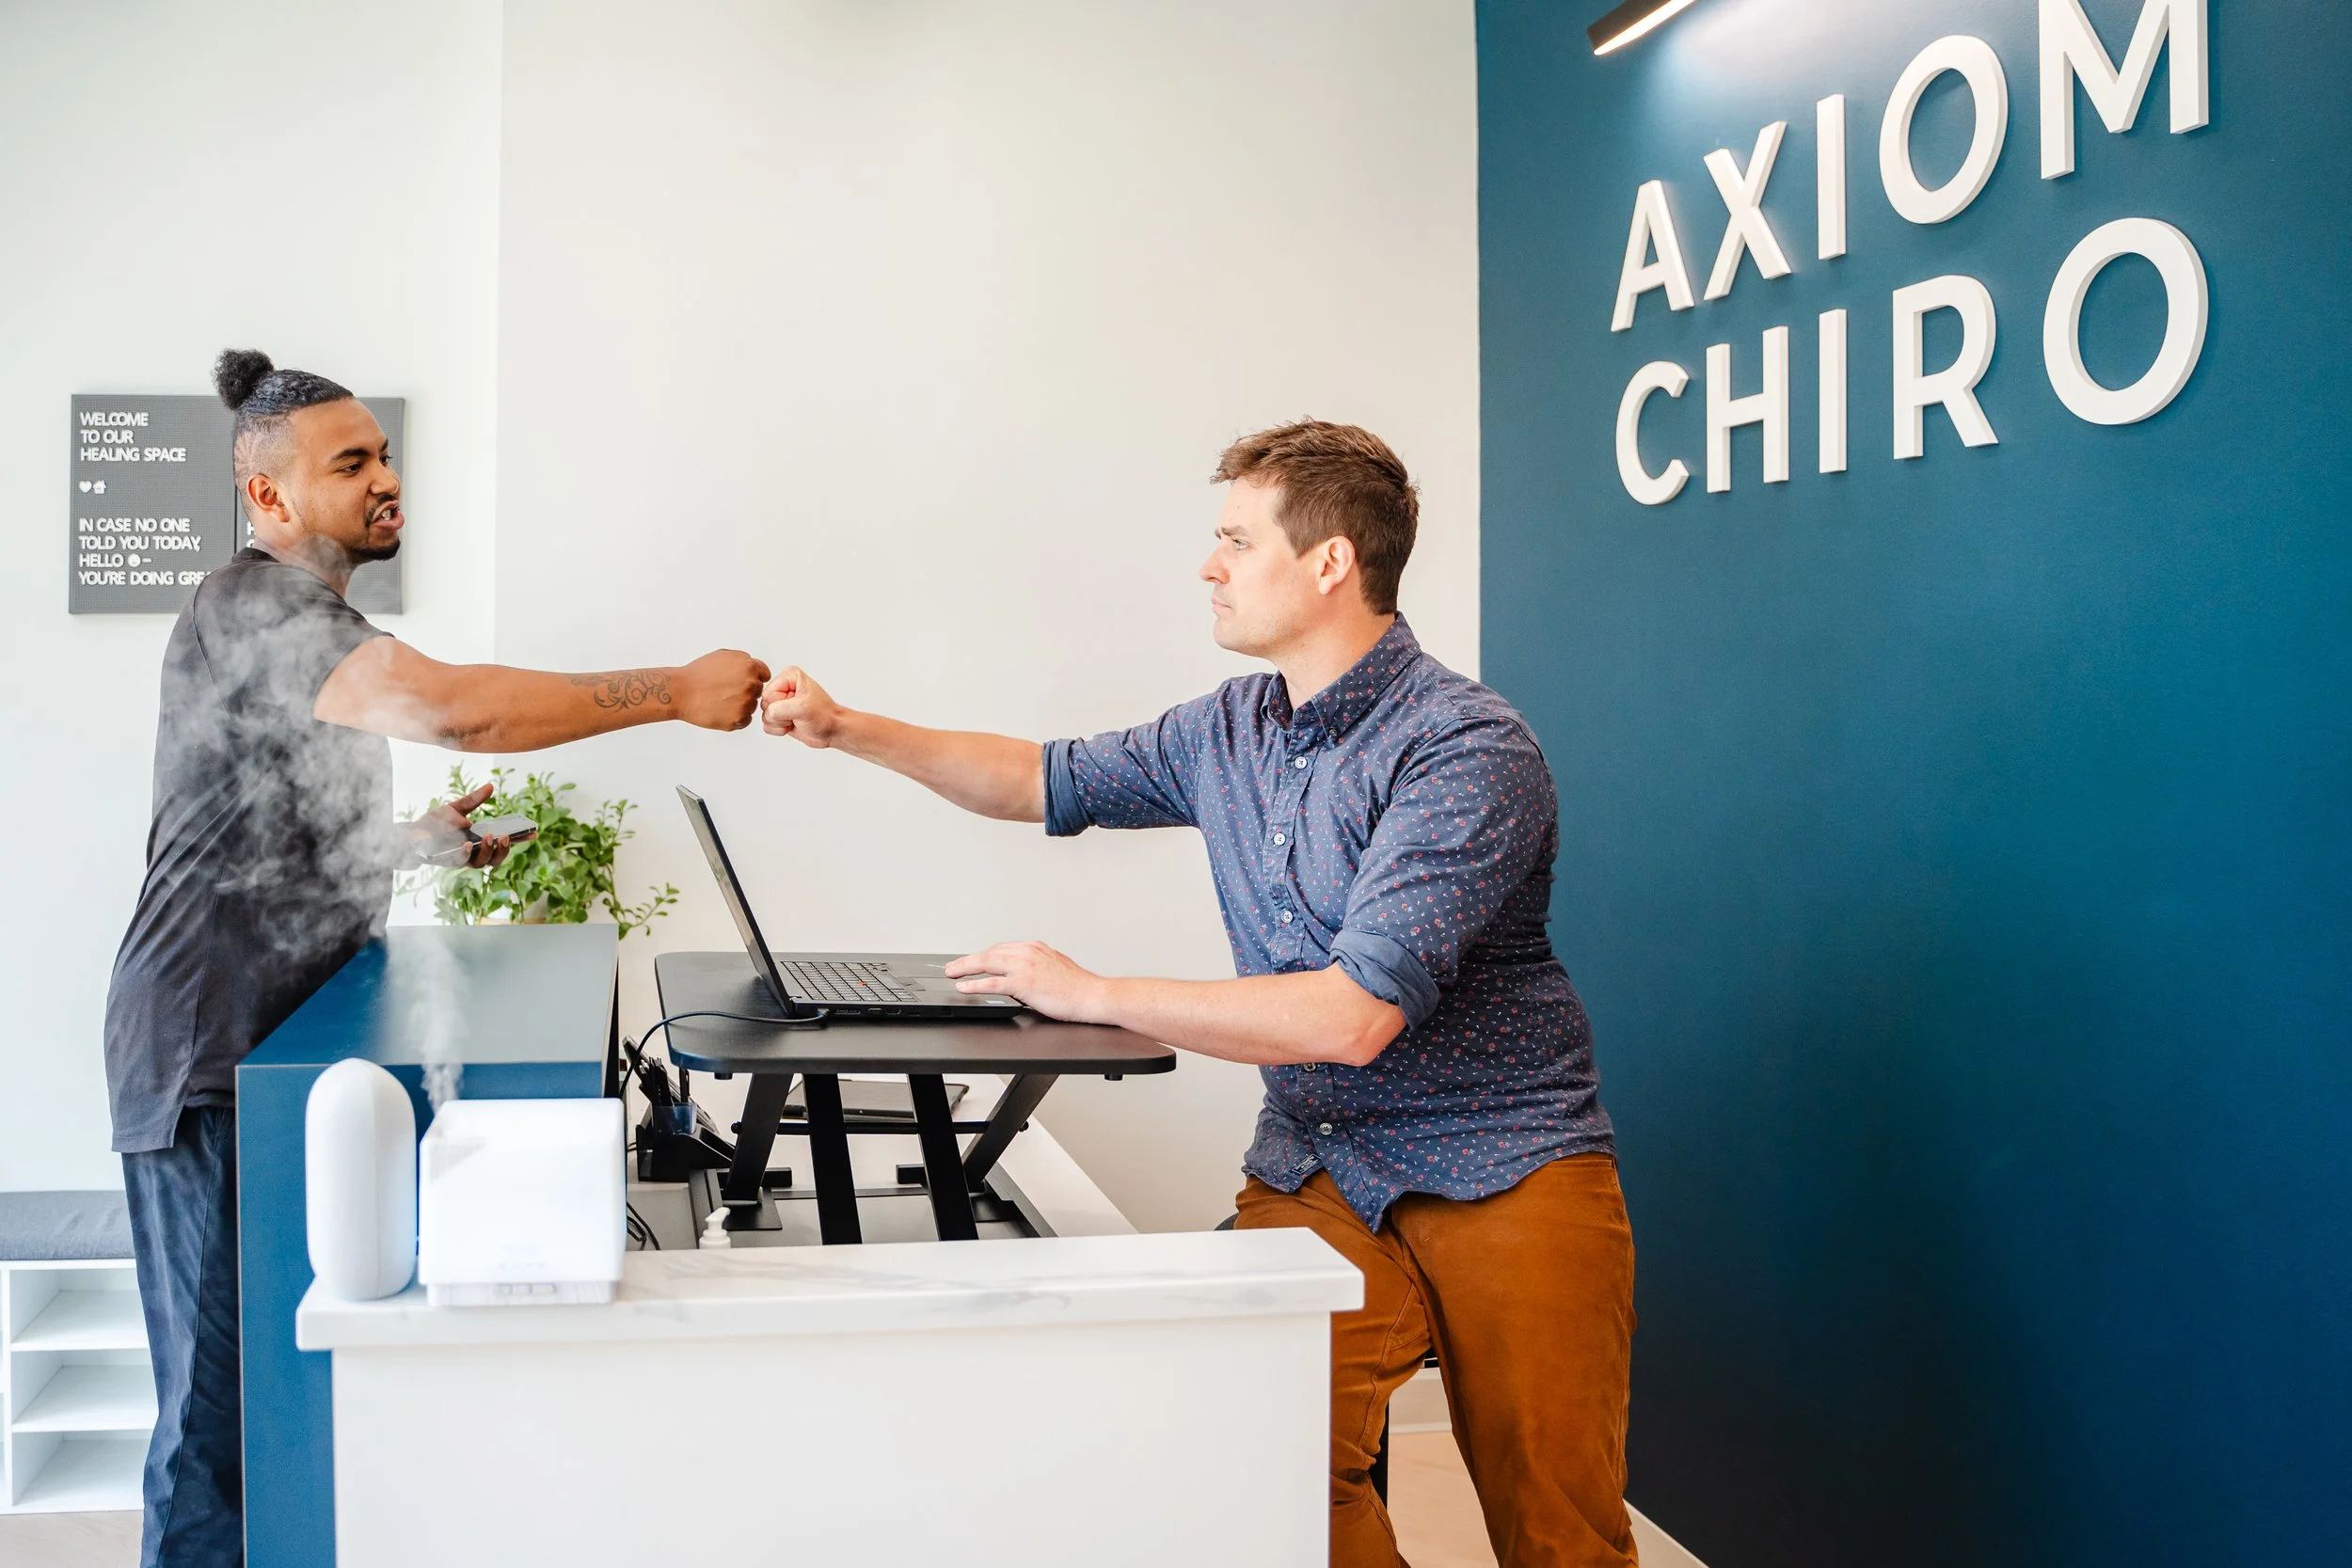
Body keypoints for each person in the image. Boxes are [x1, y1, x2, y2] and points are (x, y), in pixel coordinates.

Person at [757, 420, 1636, 1566]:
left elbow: (1350, 1015)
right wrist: (844, 728)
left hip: (1503, 1157)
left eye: (1235, 539)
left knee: (1560, 1532)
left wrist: (1093, 992)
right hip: (1320, 1161)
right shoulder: (1229, 728)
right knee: (1250, 1453)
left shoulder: (1465, 747)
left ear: (1329, 562)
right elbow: (1036, 777)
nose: (1208, 565)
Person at [104, 350, 770, 1568]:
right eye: (350, 461)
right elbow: (461, 711)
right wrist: (673, 687)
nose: (385, 478)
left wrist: (420, 842)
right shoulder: (251, 602)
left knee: (286, 1391)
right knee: (214, 1431)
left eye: (385, 455)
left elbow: (274, 829)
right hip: (204, 1052)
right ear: (269, 496)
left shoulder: (316, 628)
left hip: (275, 1053)